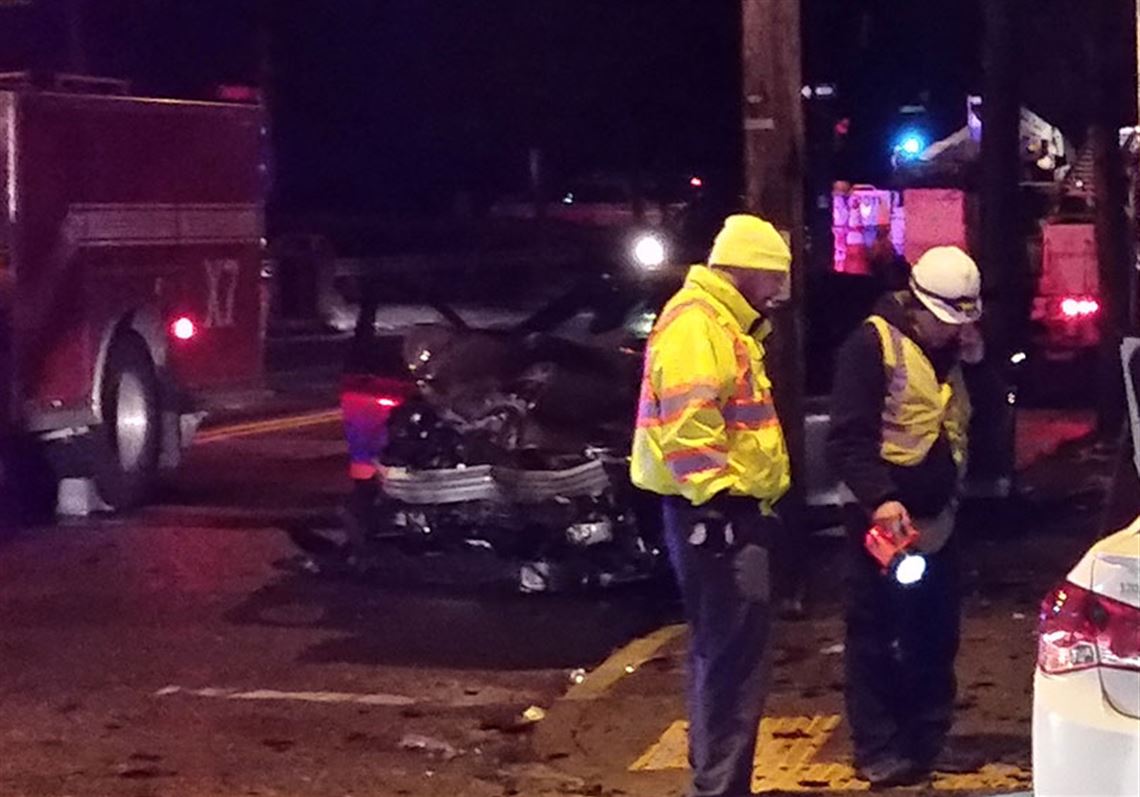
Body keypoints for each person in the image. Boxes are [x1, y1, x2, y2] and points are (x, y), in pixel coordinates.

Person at [631, 214, 792, 797]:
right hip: (719, 518)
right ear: (746, 269)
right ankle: (721, 788)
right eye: (773, 277)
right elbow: (689, 425)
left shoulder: (715, 322)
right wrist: (720, 502)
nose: (777, 291)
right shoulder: (702, 326)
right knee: (731, 666)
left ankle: (720, 784)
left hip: (716, 515)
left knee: (724, 659)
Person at [827, 246, 983, 787]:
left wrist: (974, 358)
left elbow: (961, 416)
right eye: (944, 322)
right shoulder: (870, 346)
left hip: (938, 519)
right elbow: (848, 439)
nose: (951, 331)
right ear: (916, 304)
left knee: (935, 635)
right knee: (874, 634)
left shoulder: (953, 350)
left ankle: (927, 740)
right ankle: (878, 747)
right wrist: (881, 497)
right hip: (883, 519)